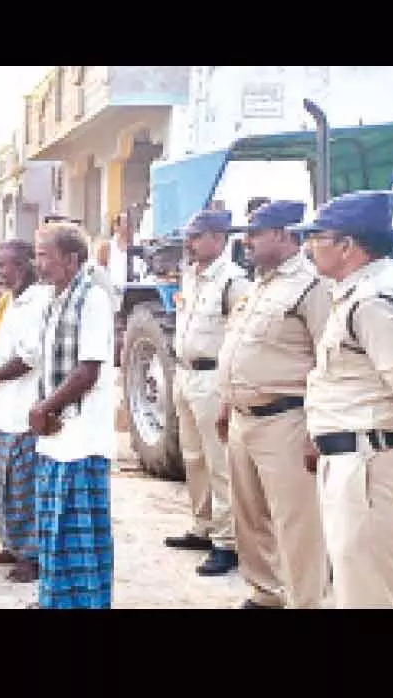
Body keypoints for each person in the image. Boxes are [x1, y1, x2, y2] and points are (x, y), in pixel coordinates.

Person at [291, 190, 393, 609]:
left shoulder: (375, 302)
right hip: (359, 462)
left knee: (371, 599)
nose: (309, 247)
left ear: (347, 245)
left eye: (317, 238)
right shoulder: (358, 291)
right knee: (357, 592)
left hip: (371, 467)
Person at [216, 200, 330, 609]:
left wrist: (318, 432)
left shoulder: (312, 286)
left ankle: (306, 603)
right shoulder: (260, 283)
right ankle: (265, 595)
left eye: (255, 233)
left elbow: (328, 363)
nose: (246, 242)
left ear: (283, 234)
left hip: (287, 419)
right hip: (244, 419)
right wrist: (227, 405)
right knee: (249, 518)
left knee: (298, 524)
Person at [29, 222, 117, 609]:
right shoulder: (55, 299)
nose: (38, 263)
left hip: (82, 437)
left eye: (44, 255)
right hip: (56, 435)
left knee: (78, 533)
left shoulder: (92, 299)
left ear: (71, 259)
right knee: (54, 528)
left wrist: (46, 407)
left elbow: (87, 371)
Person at [164, 208, 250, 577]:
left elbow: (240, 338)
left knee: (220, 464)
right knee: (192, 457)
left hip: (213, 377)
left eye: (198, 236)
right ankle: (203, 527)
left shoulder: (234, 281)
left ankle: (227, 542)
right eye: (190, 236)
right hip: (185, 374)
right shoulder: (192, 276)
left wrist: (230, 390)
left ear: (218, 238)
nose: (190, 242)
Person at [0, 239, 52, 583]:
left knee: (23, 488)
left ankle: (31, 555)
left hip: (21, 408)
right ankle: (10, 543)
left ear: (22, 267)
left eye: (4, 265)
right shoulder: (8, 300)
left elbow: (30, 356)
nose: (0, 271)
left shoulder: (39, 302)